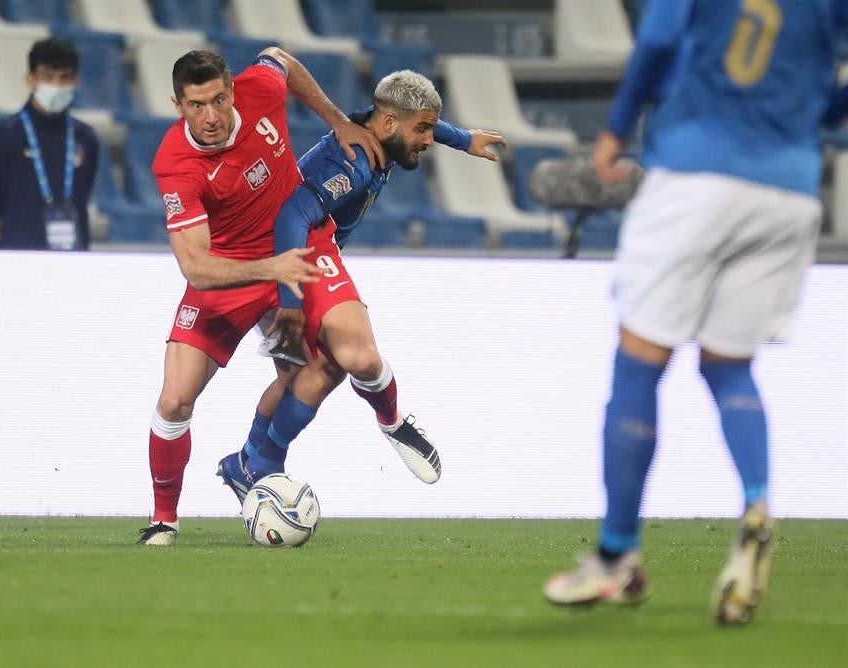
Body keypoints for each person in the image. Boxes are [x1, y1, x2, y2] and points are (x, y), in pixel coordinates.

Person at [543, 0, 848, 625]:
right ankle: (757, 503)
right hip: (789, 186)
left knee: (639, 365)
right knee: (728, 366)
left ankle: (615, 556)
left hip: (694, 173)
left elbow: (656, 43)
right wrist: (821, 122)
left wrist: (615, 131)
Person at [216, 70, 507, 502]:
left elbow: (413, 120)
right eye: (423, 131)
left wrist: (463, 139)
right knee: (358, 359)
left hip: (276, 252)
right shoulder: (351, 165)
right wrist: (290, 301)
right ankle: (389, 422)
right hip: (298, 249)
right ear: (389, 124)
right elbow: (293, 217)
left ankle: (254, 464)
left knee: (315, 368)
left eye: (431, 129)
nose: (428, 140)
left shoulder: (379, 130)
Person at [138, 48, 384, 546]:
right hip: (228, 275)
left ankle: (251, 463)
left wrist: (338, 121)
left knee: (324, 365)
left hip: (284, 256)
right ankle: (164, 521)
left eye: (218, 100)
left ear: (232, 88)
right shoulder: (175, 164)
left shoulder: (261, 88)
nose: (211, 116)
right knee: (175, 399)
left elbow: (280, 59)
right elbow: (196, 267)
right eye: (196, 106)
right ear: (177, 104)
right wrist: (270, 270)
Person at [0, 37, 98, 250]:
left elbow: (82, 198)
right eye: (47, 77)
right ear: (30, 79)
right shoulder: (5, 137)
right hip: (16, 256)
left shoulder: (85, 139)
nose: (56, 86)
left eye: (64, 78)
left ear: (76, 80)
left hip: (71, 256)